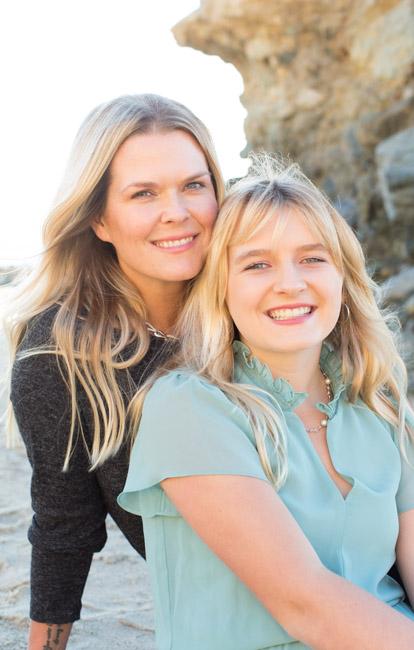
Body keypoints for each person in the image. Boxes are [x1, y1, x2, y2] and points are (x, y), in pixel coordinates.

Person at [119, 154, 414, 649]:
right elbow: (305, 605)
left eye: (312, 258)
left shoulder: (379, 401)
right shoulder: (187, 408)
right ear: (221, 289)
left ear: (343, 278)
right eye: (257, 264)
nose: (290, 282)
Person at [4, 93, 225, 650]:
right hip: (232, 613)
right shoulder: (59, 354)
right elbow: (64, 527)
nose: (177, 211)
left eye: (194, 185)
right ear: (99, 218)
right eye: (144, 193)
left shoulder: (255, 299)